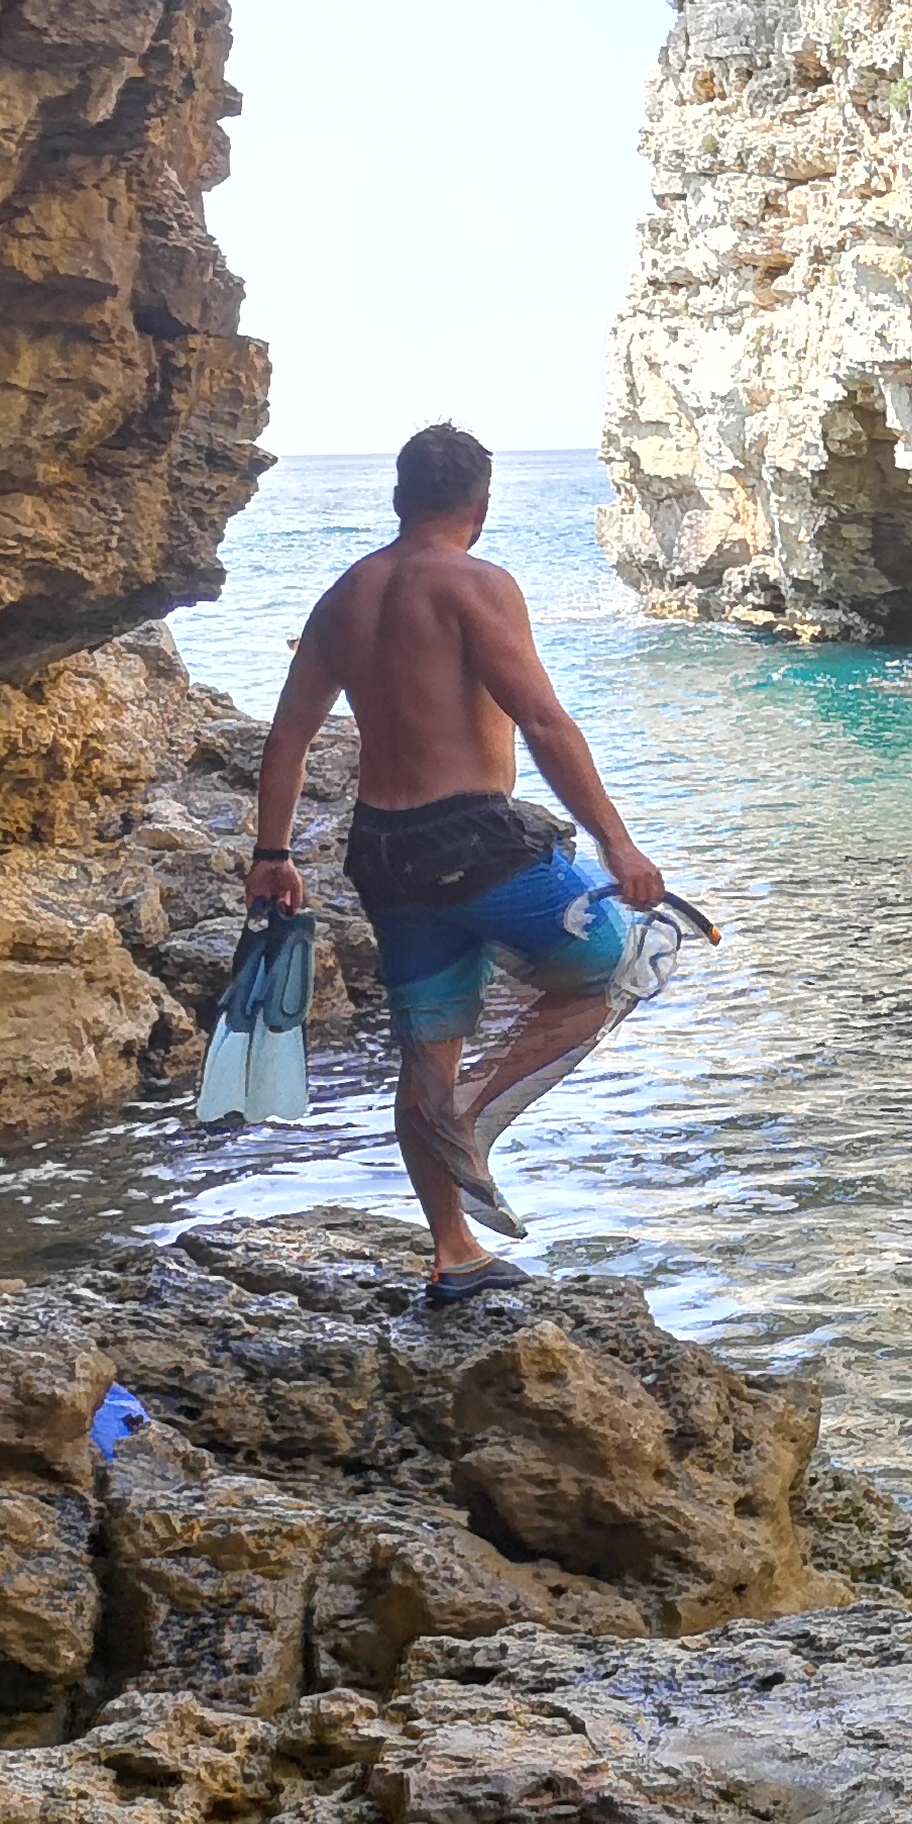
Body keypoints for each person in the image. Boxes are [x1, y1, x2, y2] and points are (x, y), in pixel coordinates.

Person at [246, 423, 667, 1309]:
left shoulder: (344, 595)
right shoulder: (478, 584)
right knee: (624, 955)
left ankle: (455, 1253)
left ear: (400, 499)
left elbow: (287, 740)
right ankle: (474, 1111)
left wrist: (272, 855)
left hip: (382, 849)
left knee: (425, 1044)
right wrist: (616, 844)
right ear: (480, 506)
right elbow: (543, 721)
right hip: (471, 837)